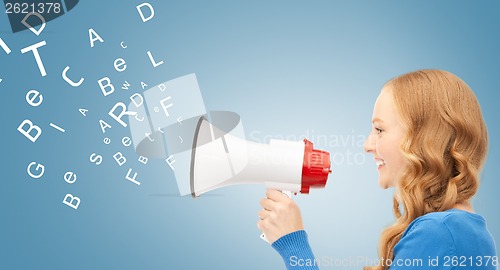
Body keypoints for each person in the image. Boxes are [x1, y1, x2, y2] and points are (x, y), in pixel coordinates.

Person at [257, 70, 498, 269]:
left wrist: (293, 245)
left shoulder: (441, 233)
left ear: (425, 139)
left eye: (379, 130)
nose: (367, 145)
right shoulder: (461, 231)